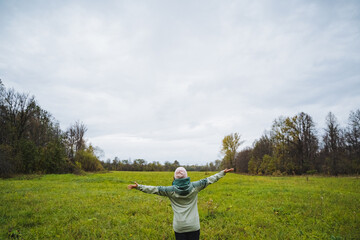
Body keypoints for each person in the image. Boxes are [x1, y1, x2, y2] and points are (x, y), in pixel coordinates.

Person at [127, 167, 234, 240]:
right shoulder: (196, 186)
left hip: (179, 227)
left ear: (175, 178)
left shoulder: (169, 190)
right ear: (186, 176)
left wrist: (138, 187)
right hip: (194, 226)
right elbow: (210, 179)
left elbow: (154, 189)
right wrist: (223, 172)